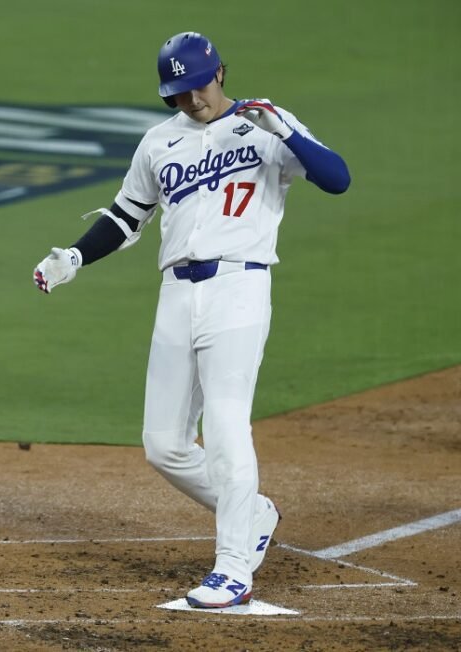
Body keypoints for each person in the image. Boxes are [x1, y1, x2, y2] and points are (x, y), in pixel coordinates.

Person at [33, 31, 349, 608]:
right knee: (164, 445)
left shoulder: (264, 125)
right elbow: (128, 214)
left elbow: (337, 178)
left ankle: (233, 568)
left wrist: (284, 130)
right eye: (178, 92)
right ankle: (253, 512)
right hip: (176, 295)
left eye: (198, 86)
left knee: (227, 425)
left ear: (221, 73)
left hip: (240, 287)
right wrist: (76, 256)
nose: (191, 100)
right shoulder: (159, 141)